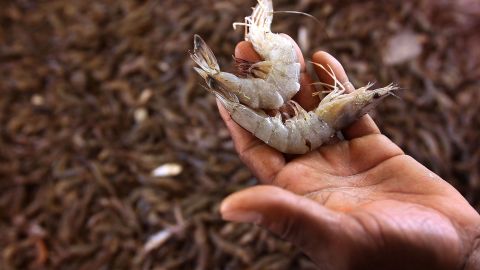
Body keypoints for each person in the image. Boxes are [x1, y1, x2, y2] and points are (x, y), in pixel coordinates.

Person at [216, 37, 480, 269]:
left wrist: (470, 252)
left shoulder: (327, 117)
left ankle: (218, 84)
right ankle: (220, 84)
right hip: (299, 128)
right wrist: (469, 252)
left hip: (294, 134)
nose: (369, 96)